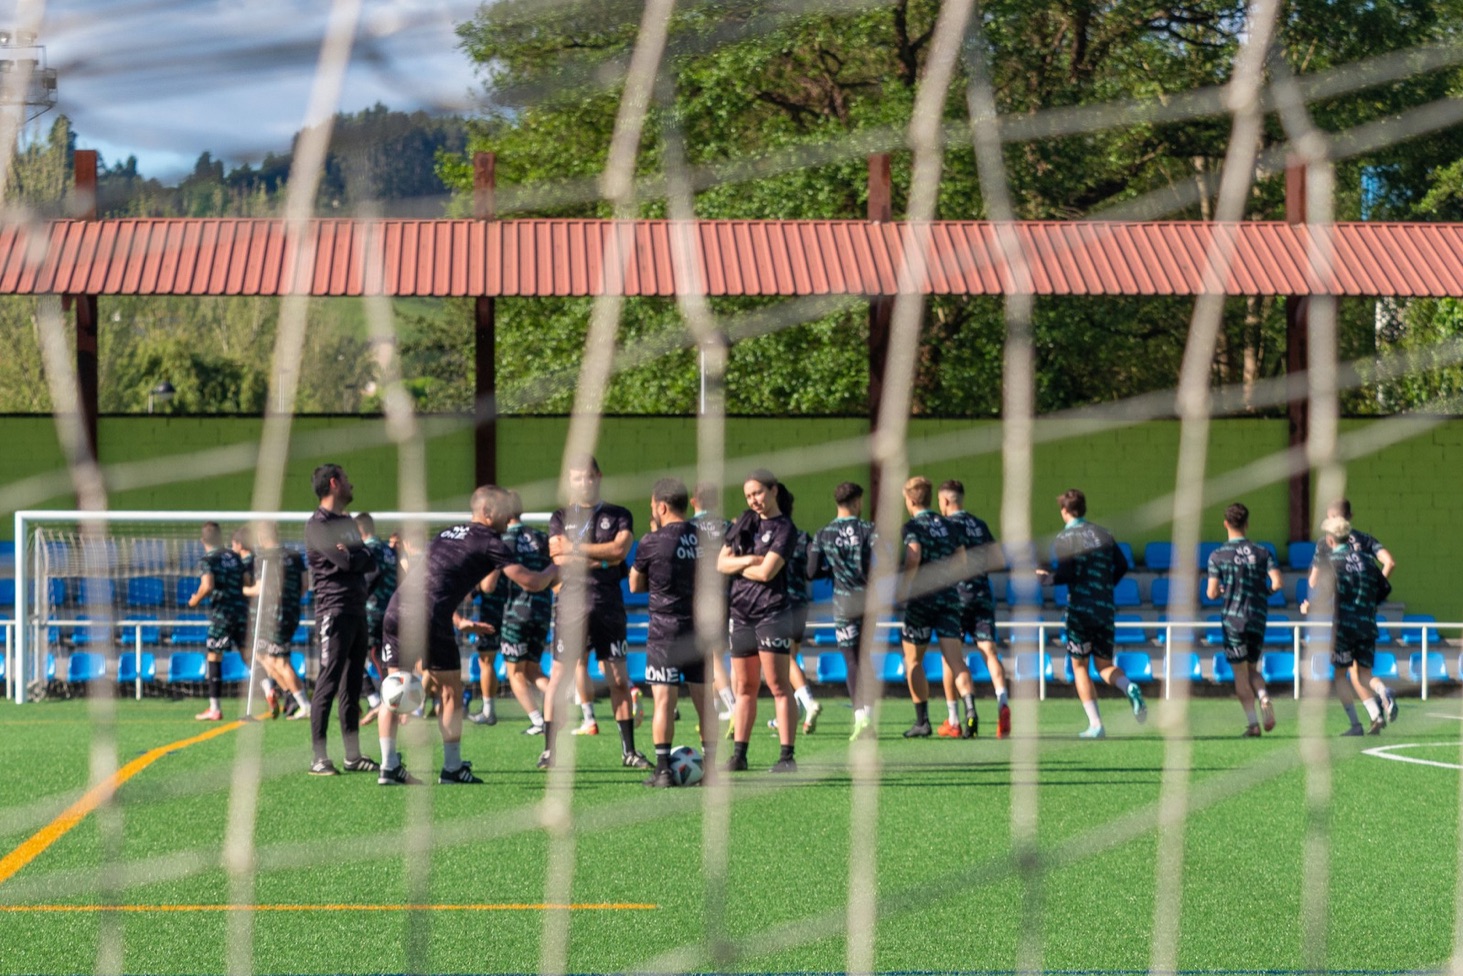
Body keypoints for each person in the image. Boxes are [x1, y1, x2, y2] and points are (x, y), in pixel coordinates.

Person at [378, 486, 559, 785]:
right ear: (487, 513)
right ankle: (451, 768)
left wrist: (460, 620)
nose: (508, 515)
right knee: (450, 691)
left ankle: (389, 767)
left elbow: (433, 582)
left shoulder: (447, 533)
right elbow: (533, 583)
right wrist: (556, 568)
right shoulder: (491, 541)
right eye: (503, 510)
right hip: (429, 618)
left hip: (396, 610)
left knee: (394, 688)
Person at [540, 456, 644, 770]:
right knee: (558, 679)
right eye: (575, 478)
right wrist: (600, 558)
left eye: (587, 477)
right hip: (570, 603)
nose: (582, 483)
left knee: (618, 680)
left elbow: (619, 551)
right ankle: (549, 751)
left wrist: (578, 550)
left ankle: (629, 751)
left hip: (608, 604)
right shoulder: (559, 517)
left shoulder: (619, 514)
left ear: (597, 476)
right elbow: (558, 556)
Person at [1036, 489, 1146, 738]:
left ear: (1064, 511)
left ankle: (1096, 724)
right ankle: (1129, 687)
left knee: (1080, 667)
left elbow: (1067, 574)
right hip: (1105, 608)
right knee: (1105, 665)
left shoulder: (1066, 537)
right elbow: (1122, 565)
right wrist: (1105, 588)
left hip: (1080, 611)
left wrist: (1046, 578)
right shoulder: (1103, 533)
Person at [630, 478, 714, 787]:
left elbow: (634, 585)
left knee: (664, 701)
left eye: (653, 506)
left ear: (661, 507)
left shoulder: (652, 541)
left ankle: (663, 770)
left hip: (665, 629)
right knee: (705, 701)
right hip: (700, 628)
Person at [718, 469, 800, 772]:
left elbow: (768, 573)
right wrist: (749, 561)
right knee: (745, 687)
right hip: (740, 614)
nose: (754, 500)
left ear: (773, 490)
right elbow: (720, 563)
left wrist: (739, 567)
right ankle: (739, 755)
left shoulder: (785, 529)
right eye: (749, 495)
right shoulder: (744, 522)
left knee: (779, 685)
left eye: (758, 493)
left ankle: (786, 756)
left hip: (772, 613)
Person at [304, 464, 378, 776]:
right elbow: (347, 561)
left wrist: (354, 555)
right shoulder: (318, 525)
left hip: (356, 609)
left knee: (352, 684)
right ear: (334, 484)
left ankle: (353, 755)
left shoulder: (347, 521)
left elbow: (368, 559)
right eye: (346, 479)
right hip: (333, 612)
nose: (351, 484)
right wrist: (353, 556)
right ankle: (319, 757)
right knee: (329, 680)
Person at [897, 477, 980, 739]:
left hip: (921, 599)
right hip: (949, 598)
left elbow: (913, 555)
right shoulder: (950, 525)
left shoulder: (911, 527)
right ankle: (970, 711)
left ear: (910, 500)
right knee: (956, 660)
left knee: (913, 660)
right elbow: (963, 562)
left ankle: (922, 721)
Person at [1303, 514, 1397, 735]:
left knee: (1339, 675)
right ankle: (1382, 691)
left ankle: (1355, 724)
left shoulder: (1332, 564)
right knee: (1365, 673)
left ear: (1330, 539)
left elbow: (1323, 594)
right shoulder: (1367, 560)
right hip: (1367, 624)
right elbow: (1384, 589)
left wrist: (1309, 607)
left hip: (1344, 627)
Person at [937, 480, 1010, 738]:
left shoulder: (943, 526)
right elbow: (999, 561)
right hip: (981, 594)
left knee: (951, 658)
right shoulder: (979, 525)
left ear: (945, 501)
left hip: (954, 598)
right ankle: (1003, 704)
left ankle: (954, 720)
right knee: (989, 652)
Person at [807, 481, 878, 741]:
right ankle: (868, 715)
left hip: (843, 603)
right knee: (866, 657)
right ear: (857, 502)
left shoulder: (824, 532)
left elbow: (811, 571)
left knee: (851, 660)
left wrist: (834, 571)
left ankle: (860, 718)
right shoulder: (869, 529)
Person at [1206, 503, 1284, 736]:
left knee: (1240, 673)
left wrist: (1222, 591)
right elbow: (1277, 583)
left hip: (1233, 620)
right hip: (1257, 617)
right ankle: (1264, 695)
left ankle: (1252, 724)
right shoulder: (1262, 552)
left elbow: (1211, 593)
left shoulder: (1218, 555)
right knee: (1252, 668)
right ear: (1247, 524)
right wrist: (1263, 593)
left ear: (1226, 524)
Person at [242, 521, 312, 721]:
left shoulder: (263, 557)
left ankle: (304, 704)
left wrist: (242, 590)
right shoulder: (295, 556)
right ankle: (289, 694)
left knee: (279, 661)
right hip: (291, 612)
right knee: (263, 656)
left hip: (273, 616)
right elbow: (305, 585)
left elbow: (262, 588)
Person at [499, 491, 553, 736]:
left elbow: (489, 585)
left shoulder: (504, 540)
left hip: (516, 614)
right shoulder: (541, 537)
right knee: (533, 669)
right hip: (542, 610)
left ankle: (538, 721)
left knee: (515, 672)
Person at [185, 521, 248, 721]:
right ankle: (268, 690)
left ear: (203, 540)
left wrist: (195, 599)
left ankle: (214, 708)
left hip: (222, 615)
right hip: (241, 611)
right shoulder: (235, 557)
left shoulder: (208, 559)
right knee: (249, 655)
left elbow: (208, 585)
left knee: (214, 656)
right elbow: (247, 582)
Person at [691, 482, 738, 726]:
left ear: (693, 501)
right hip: (725, 594)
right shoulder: (728, 526)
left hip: (700, 597)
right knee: (716, 653)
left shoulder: (688, 527)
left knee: (710, 658)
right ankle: (714, 710)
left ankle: (734, 706)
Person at [769, 528, 823, 735]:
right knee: (791, 658)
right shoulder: (802, 536)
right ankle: (794, 710)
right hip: (800, 603)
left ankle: (808, 703)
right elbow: (812, 570)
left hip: (780, 602)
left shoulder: (772, 534)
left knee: (786, 659)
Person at [459, 571, 506, 726]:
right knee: (522, 669)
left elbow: (487, 585)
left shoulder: (495, 554)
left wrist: (474, 589)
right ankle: (489, 711)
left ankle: (488, 712)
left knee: (486, 662)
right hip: (509, 610)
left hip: (492, 613)